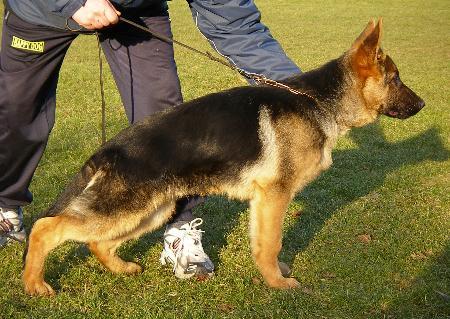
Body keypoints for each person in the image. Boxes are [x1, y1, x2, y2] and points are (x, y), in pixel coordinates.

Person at [0, 0, 301, 279]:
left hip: (135, 10)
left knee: (165, 121)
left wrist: (299, 93)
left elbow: (236, 22)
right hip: (41, 9)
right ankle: (6, 206)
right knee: (17, 113)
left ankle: (179, 226)